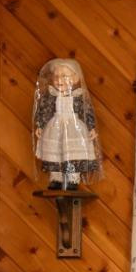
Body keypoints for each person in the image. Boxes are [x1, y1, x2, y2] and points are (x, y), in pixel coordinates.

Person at [33, 58, 101, 190]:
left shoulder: (78, 96)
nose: (59, 80)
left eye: (64, 76)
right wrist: (40, 124)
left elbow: (86, 112)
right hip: (54, 129)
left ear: (75, 78)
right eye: (56, 77)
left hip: (74, 130)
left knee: (73, 153)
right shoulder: (51, 96)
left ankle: (72, 179)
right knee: (56, 154)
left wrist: (91, 127)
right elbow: (44, 111)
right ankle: (56, 179)